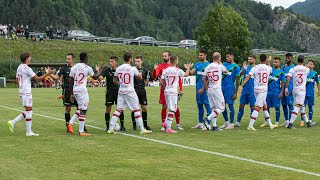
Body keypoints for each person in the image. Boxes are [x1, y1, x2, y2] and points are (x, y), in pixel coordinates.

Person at [7, 53, 52, 136]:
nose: (30, 58)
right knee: (29, 110)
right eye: (29, 57)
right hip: (26, 92)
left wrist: (21, 85)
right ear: (27, 58)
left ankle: (13, 122)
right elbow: (38, 79)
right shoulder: (27, 68)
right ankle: (28, 132)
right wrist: (48, 73)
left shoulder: (19, 67)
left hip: (21, 91)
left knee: (28, 110)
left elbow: (17, 80)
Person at [107, 52, 152, 134]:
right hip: (130, 91)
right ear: (130, 59)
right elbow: (140, 77)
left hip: (121, 91)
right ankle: (142, 129)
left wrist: (120, 85)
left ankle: (110, 128)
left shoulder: (119, 68)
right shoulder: (133, 68)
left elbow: (114, 80)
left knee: (118, 110)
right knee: (136, 109)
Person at [48, 53, 88, 132]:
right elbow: (56, 77)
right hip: (67, 90)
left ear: (73, 59)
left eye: (69, 59)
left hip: (77, 91)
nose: (67, 60)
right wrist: (50, 73)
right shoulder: (63, 68)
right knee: (68, 109)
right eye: (66, 59)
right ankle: (68, 126)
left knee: (80, 108)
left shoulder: (77, 68)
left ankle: (83, 126)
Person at [67, 52, 98, 136]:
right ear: (86, 58)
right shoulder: (87, 68)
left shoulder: (74, 67)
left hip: (75, 89)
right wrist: (101, 70)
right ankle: (81, 131)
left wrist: (71, 93)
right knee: (83, 110)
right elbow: (95, 77)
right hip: (82, 90)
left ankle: (70, 123)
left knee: (81, 108)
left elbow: (70, 81)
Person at [153, 51, 184, 130]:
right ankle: (165, 125)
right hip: (166, 90)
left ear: (169, 57)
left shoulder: (173, 67)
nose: (164, 57)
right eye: (163, 56)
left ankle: (177, 124)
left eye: (165, 56)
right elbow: (155, 76)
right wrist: (155, 70)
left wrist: (180, 88)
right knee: (165, 106)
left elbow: (179, 79)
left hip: (168, 90)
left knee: (175, 107)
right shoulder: (161, 66)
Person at [160, 55, 192, 133]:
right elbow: (186, 75)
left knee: (170, 108)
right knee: (172, 109)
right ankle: (168, 128)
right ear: (176, 61)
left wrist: (165, 88)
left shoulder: (165, 70)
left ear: (170, 61)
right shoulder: (178, 70)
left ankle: (165, 123)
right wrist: (188, 68)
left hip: (166, 91)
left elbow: (161, 82)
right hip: (173, 92)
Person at [241, 54, 273, 130]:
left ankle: (270, 123)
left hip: (256, 89)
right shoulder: (268, 67)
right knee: (258, 107)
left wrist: (242, 85)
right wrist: (269, 62)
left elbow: (248, 76)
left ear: (259, 59)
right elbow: (271, 72)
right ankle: (250, 125)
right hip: (263, 90)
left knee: (264, 106)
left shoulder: (256, 67)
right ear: (265, 60)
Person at [93, 56, 125, 131]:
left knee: (120, 109)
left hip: (118, 92)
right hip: (109, 92)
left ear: (116, 62)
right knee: (108, 109)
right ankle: (107, 126)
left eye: (112, 61)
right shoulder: (107, 70)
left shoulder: (119, 70)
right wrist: (99, 71)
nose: (110, 63)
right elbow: (100, 78)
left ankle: (122, 126)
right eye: (109, 61)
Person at [200, 52, 227, 131]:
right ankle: (207, 119)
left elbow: (203, 79)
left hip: (210, 89)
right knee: (222, 108)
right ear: (219, 58)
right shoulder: (219, 66)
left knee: (214, 108)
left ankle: (214, 126)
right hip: (217, 89)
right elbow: (225, 71)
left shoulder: (208, 66)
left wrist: (206, 88)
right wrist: (220, 63)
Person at [286, 55, 312, 129]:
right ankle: (290, 124)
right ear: (303, 61)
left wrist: (286, 89)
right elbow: (308, 69)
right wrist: (306, 65)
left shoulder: (293, 69)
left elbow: (288, 78)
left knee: (302, 107)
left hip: (295, 90)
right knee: (298, 106)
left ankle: (307, 122)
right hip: (301, 90)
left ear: (297, 61)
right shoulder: (306, 69)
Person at [188, 49, 212, 130]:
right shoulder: (197, 64)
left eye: (201, 55)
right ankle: (200, 123)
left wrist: (203, 88)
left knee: (207, 106)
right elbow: (191, 72)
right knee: (199, 105)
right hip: (197, 89)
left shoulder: (209, 65)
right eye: (199, 55)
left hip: (205, 89)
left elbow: (209, 79)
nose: (199, 56)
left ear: (205, 56)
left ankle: (208, 124)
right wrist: (188, 68)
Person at [261, 57, 285, 128]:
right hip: (268, 92)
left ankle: (277, 122)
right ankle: (267, 122)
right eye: (274, 62)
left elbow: (283, 83)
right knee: (266, 107)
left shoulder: (281, 73)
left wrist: (281, 92)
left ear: (279, 63)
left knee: (277, 108)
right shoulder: (270, 70)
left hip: (276, 92)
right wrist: (268, 61)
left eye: (276, 62)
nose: (275, 63)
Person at [131, 55, 152, 131]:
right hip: (134, 91)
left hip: (142, 91)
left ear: (141, 61)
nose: (136, 63)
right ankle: (134, 125)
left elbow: (147, 79)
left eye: (138, 61)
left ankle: (145, 125)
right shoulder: (132, 70)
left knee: (144, 108)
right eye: (135, 61)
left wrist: (144, 84)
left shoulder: (145, 70)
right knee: (134, 109)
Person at [235, 56, 256, 127]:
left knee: (252, 107)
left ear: (254, 60)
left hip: (252, 91)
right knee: (241, 106)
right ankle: (238, 122)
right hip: (244, 90)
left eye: (251, 59)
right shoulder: (246, 67)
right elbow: (239, 75)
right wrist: (243, 70)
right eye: (248, 59)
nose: (249, 60)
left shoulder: (256, 68)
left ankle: (251, 123)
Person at [221, 53, 240, 129]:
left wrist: (235, 92)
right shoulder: (224, 64)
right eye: (226, 57)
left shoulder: (236, 67)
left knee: (230, 105)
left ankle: (231, 123)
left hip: (230, 88)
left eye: (228, 57)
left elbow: (238, 80)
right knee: (222, 106)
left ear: (232, 57)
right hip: (222, 88)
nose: (226, 58)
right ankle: (226, 122)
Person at [301, 60, 320, 126]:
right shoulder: (304, 72)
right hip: (303, 93)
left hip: (311, 93)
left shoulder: (315, 74)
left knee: (310, 107)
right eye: (309, 63)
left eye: (311, 64)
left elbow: (318, 82)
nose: (310, 65)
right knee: (302, 107)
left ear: (313, 66)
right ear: (307, 64)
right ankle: (302, 121)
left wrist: (319, 90)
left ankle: (310, 120)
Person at [280, 53, 295, 127]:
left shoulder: (294, 68)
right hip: (282, 88)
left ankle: (290, 122)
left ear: (291, 58)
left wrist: (293, 89)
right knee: (283, 105)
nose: (286, 59)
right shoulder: (283, 67)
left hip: (290, 89)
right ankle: (286, 121)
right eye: (286, 58)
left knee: (290, 105)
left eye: (288, 58)